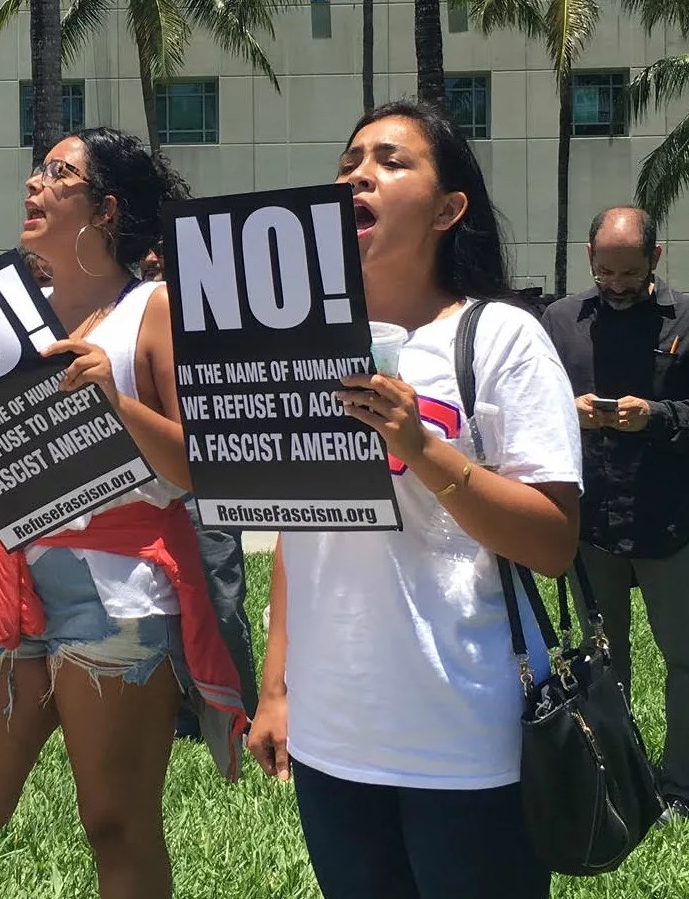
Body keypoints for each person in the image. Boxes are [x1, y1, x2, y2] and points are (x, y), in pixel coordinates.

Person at [249, 100, 582, 899]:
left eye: (392, 161)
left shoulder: (499, 337)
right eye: (350, 160)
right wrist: (274, 686)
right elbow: (303, 528)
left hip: (468, 741)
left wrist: (421, 447)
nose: (358, 173)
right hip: (335, 741)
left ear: (447, 208)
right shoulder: (299, 347)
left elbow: (554, 541)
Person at [0, 128, 246, 899]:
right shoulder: (13, 322)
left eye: (57, 173)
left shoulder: (154, 310)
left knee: (115, 823)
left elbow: (204, 469)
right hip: (13, 595)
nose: (34, 185)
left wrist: (115, 400)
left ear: (103, 210)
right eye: (37, 169)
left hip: (124, 598)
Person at [541, 206, 689, 821]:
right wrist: (561, 410)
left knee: (684, 659)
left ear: (655, 260)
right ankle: (619, 778)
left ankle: (680, 785)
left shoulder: (687, 317)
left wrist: (656, 416)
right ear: (589, 257)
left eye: (629, 273)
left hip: (671, 522)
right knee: (604, 662)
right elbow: (525, 402)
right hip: (592, 519)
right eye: (605, 271)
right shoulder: (560, 321)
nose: (617, 283)